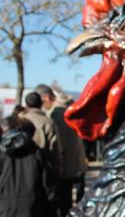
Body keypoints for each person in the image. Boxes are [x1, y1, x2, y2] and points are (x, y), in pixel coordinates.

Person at [36, 85, 87, 216]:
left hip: (65, 166)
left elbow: (59, 144)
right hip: (76, 161)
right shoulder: (68, 107)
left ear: (46, 98)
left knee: (64, 204)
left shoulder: (56, 114)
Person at [20, 92, 62, 215]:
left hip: (23, 171)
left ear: (26, 104)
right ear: (40, 104)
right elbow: (54, 150)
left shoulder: (20, 120)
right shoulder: (48, 122)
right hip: (45, 170)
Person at [0, 116, 49, 217]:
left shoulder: (1, 152)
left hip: (5, 207)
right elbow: (47, 183)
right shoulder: (36, 151)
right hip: (32, 206)